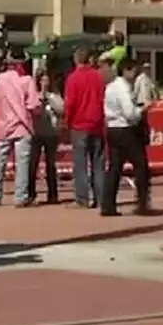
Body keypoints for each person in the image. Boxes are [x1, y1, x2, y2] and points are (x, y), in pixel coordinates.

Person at [100, 59, 151, 216]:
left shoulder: (111, 87)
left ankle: (108, 204)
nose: (136, 75)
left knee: (115, 167)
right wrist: (142, 109)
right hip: (125, 129)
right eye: (135, 71)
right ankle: (142, 201)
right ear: (127, 70)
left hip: (113, 128)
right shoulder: (122, 88)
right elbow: (129, 113)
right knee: (140, 165)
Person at [0, 56, 40, 207]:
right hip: (22, 125)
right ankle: (20, 196)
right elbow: (33, 105)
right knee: (22, 162)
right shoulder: (27, 80)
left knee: (0, 161)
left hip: (4, 124)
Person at [64, 47, 106, 209]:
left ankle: (82, 198)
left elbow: (70, 103)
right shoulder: (98, 77)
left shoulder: (73, 78)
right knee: (98, 163)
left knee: (80, 163)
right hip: (97, 123)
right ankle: (100, 197)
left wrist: (67, 122)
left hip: (79, 124)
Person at [27, 70, 63, 205]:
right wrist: (39, 98)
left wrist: (50, 98)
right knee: (33, 163)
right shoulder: (33, 95)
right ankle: (30, 193)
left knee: (51, 164)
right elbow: (31, 110)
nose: (45, 83)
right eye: (42, 81)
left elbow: (61, 108)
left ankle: (53, 194)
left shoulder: (54, 95)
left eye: (47, 80)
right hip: (36, 132)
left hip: (51, 132)